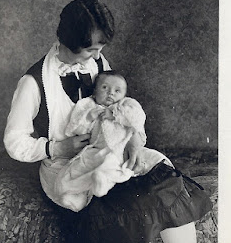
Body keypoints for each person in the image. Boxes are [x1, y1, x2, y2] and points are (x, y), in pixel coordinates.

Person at [4, 0, 212, 243]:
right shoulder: (33, 83)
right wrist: (56, 148)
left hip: (108, 149)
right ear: (70, 41)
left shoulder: (97, 63)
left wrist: (134, 138)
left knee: (164, 183)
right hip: (70, 169)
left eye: (100, 49)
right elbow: (14, 141)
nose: (98, 55)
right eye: (91, 49)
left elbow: (121, 107)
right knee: (131, 206)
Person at [54, 71, 173, 212]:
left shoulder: (125, 105)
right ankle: (77, 196)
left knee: (110, 164)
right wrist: (88, 118)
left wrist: (115, 114)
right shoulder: (87, 105)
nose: (111, 93)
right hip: (95, 149)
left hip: (120, 148)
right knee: (74, 171)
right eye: (105, 88)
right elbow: (73, 129)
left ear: (124, 94)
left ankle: (103, 181)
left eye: (117, 91)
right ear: (94, 91)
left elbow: (137, 118)